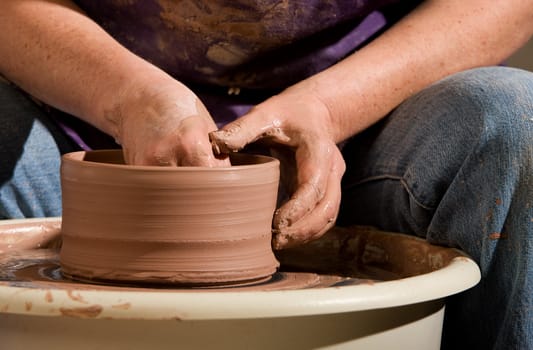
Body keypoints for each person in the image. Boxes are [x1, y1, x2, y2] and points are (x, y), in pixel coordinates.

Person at [1, 1, 532, 348]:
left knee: (513, 117)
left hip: (364, 107)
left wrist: (329, 108)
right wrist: (127, 97)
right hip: (89, 114)